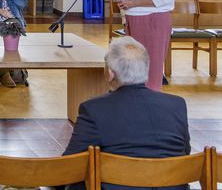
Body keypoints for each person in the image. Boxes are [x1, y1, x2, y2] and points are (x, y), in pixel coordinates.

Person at [63, 37, 189, 190]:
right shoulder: (177, 105)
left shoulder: (94, 109)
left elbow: (67, 167)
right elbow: (184, 153)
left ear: (110, 74)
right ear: (145, 70)